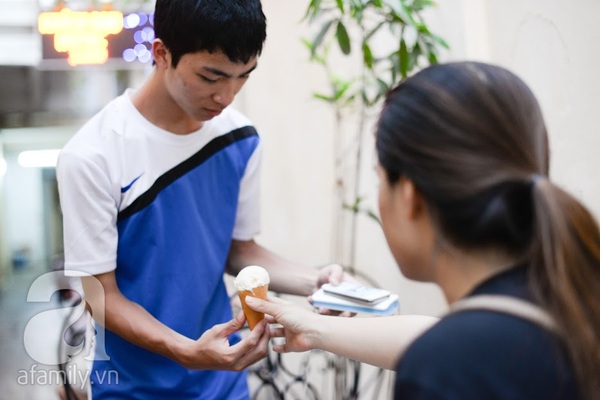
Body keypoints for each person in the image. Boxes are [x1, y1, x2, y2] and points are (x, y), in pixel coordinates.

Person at [246, 61, 600, 399]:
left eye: (380, 177)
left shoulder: (444, 370)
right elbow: (446, 338)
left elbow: (448, 351)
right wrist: (315, 328)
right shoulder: (570, 302)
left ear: (410, 195)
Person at [56, 1, 349, 398]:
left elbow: (239, 251)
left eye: (243, 76)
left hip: (224, 384)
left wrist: (315, 281)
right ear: (161, 54)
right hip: (134, 388)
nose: (227, 95)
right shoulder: (94, 155)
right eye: (212, 76)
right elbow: (99, 295)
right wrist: (186, 351)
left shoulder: (240, 138)